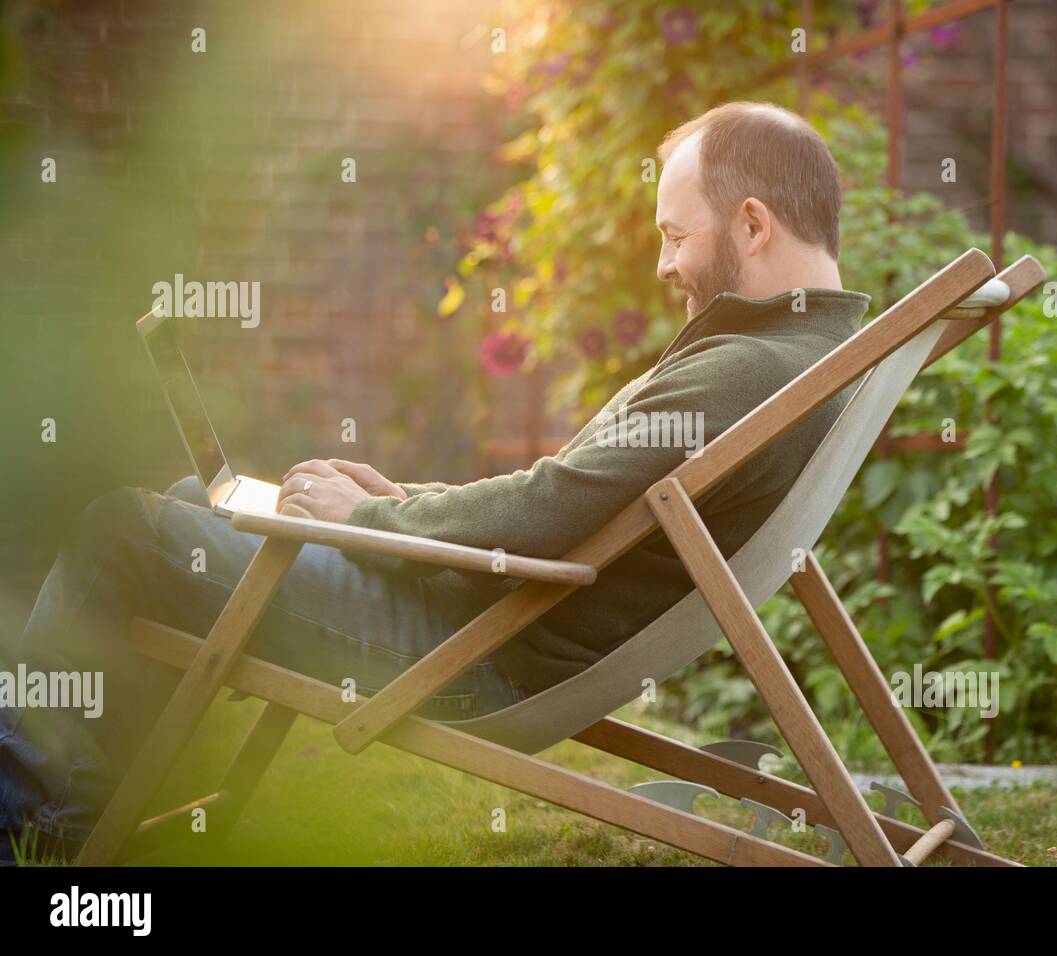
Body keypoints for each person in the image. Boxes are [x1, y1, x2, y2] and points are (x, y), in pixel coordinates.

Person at [0, 100, 873, 863]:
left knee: (125, 530)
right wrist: (395, 507)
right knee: (192, 512)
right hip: (494, 613)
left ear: (753, 227)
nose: (663, 265)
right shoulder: (805, 355)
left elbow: (547, 509)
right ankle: (83, 803)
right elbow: (569, 500)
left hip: (474, 650)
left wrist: (378, 514)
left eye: (675, 236)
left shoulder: (742, 369)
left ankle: (29, 817)